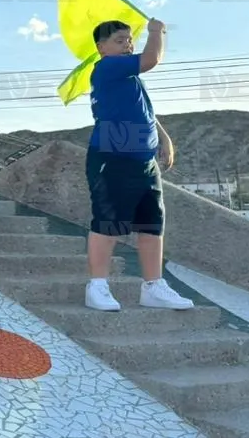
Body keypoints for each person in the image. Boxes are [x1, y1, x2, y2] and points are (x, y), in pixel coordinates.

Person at [84, 18, 195, 312]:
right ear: (101, 48)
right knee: (108, 222)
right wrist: (157, 30)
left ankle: (153, 287)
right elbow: (151, 59)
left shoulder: (130, 79)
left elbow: (146, 111)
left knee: (152, 223)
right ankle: (96, 286)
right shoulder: (107, 68)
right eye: (120, 41)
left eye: (129, 40)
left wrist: (164, 137)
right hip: (112, 156)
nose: (127, 45)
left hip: (144, 161)